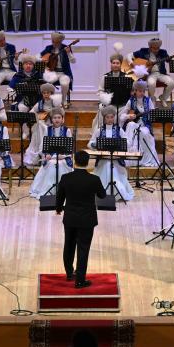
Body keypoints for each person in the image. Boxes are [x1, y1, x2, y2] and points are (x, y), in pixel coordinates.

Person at [55, 150, 107, 289]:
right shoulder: (94, 179)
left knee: (69, 245)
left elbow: (60, 196)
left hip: (70, 218)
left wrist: (58, 209)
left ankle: (69, 273)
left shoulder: (66, 178)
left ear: (74, 161)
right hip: (87, 219)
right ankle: (80, 280)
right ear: (88, 162)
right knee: (83, 249)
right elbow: (102, 195)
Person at [88, 106, 134, 201]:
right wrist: (94, 144)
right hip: (103, 159)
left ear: (114, 117)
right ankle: (104, 193)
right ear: (104, 118)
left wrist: (122, 143)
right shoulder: (99, 130)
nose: (110, 119)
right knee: (107, 166)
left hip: (116, 159)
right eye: (107, 117)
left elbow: (128, 142)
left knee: (112, 168)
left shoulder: (119, 130)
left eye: (112, 117)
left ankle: (117, 192)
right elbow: (90, 143)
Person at [29, 107, 73, 199]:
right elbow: (42, 146)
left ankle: (62, 190)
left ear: (62, 119)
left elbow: (70, 148)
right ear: (51, 119)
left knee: (60, 164)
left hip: (63, 157)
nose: (57, 120)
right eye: (54, 118)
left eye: (59, 117)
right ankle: (49, 190)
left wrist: (64, 155)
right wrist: (46, 154)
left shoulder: (67, 130)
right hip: (50, 157)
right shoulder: (47, 130)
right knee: (51, 164)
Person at [129, 37, 174, 104]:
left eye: (158, 48)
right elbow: (129, 55)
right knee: (151, 83)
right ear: (150, 47)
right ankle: (152, 99)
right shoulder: (143, 51)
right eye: (154, 48)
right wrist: (132, 64)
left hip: (161, 73)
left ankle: (163, 98)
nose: (156, 50)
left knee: (172, 83)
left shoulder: (163, 52)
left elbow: (169, 61)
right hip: (150, 74)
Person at [122, 80, 159, 168]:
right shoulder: (131, 101)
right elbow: (122, 116)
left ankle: (145, 159)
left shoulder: (148, 100)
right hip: (134, 125)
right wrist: (129, 116)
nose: (142, 93)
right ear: (135, 91)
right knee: (131, 125)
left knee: (145, 133)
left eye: (143, 91)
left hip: (145, 126)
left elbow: (153, 115)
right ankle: (131, 156)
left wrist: (150, 115)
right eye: (139, 91)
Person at [23, 83, 58, 167]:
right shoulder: (39, 103)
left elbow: (60, 115)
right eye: (44, 93)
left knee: (42, 127)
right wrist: (37, 115)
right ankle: (39, 153)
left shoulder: (55, 103)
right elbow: (31, 113)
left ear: (51, 93)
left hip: (52, 125)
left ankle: (42, 152)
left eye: (48, 93)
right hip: (40, 125)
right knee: (40, 125)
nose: (46, 95)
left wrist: (51, 112)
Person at [40, 32, 76, 102]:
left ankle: (63, 100)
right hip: (52, 72)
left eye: (56, 42)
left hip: (63, 73)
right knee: (46, 82)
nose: (54, 43)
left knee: (65, 83)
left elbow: (73, 61)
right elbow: (41, 57)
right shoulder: (49, 48)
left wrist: (68, 53)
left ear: (60, 41)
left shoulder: (66, 48)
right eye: (53, 41)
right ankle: (50, 100)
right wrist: (44, 60)